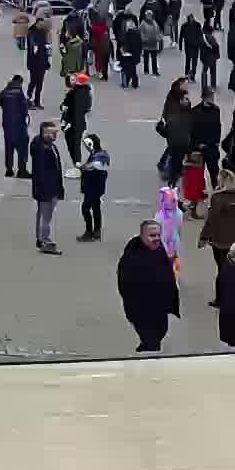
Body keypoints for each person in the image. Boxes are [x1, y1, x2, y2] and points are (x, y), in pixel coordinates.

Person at [117, 219, 180, 352]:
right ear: (142, 236)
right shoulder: (131, 258)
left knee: (161, 331)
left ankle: (146, 345)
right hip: (142, 309)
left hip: (160, 306)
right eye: (152, 236)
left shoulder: (159, 248)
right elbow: (125, 286)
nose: (156, 238)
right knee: (152, 339)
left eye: (158, 235)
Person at [201, 169, 235, 303]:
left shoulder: (218, 198)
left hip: (222, 241)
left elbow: (212, 220)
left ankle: (221, 299)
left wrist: (204, 237)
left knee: (223, 269)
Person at [30, 121, 65, 254]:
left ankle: (40, 238)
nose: (56, 135)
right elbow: (44, 172)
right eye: (53, 133)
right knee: (46, 216)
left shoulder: (47, 146)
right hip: (47, 189)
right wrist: (52, 190)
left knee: (42, 215)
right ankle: (45, 241)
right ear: (45, 133)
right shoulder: (43, 150)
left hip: (48, 187)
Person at [77, 133, 109, 242]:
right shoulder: (98, 154)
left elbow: (93, 167)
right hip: (94, 187)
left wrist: (82, 167)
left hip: (93, 187)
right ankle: (96, 231)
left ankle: (89, 231)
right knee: (95, 208)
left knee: (85, 208)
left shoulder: (100, 156)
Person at [59, 73, 92, 175]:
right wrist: (63, 106)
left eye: (74, 79)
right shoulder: (74, 92)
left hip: (74, 122)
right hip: (74, 122)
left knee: (74, 142)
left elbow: (77, 110)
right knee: (72, 142)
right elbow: (65, 104)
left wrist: (69, 122)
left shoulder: (79, 92)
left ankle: (77, 163)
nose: (73, 81)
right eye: (71, 80)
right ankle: (77, 162)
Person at [0, 75, 31, 179]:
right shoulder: (20, 94)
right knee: (22, 148)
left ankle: (9, 169)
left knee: (9, 147)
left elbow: (2, 105)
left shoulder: (3, 93)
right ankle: (21, 170)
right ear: (20, 83)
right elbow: (24, 110)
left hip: (7, 124)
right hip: (19, 125)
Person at [25, 21, 51, 108]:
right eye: (40, 23)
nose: (41, 25)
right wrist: (35, 46)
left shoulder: (42, 32)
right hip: (34, 62)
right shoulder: (31, 33)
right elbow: (32, 44)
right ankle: (28, 100)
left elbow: (45, 48)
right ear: (36, 23)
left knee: (39, 83)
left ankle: (37, 101)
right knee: (33, 82)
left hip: (42, 62)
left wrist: (47, 62)